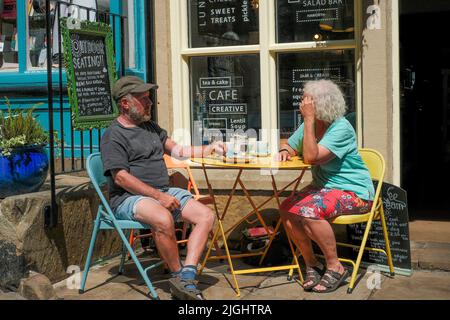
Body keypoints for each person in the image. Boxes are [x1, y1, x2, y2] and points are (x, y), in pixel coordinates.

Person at [100, 76, 226, 300]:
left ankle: (187, 276)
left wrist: (209, 149)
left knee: (205, 216)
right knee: (163, 218)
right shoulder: (114, 135)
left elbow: (177, 151)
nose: (149, 103)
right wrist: (159, 196)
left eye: (149, 98)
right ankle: (177, 275)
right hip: (129, 198)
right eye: (143, 99)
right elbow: (120, 178)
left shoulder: (150, 127)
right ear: (125, 103)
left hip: (161, 192)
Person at [276, 79, 374, 293]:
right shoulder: (309, 125)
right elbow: (291, 146)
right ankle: (312, 263)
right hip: (323, 189)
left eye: (307, 100)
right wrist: (285, 151)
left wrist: (309, 120)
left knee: (309, 211)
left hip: (353, 191)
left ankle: (335, 266)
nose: (302, 103)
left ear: (319, 105)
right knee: (286, 209)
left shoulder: (341, 128)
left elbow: (311, 157)